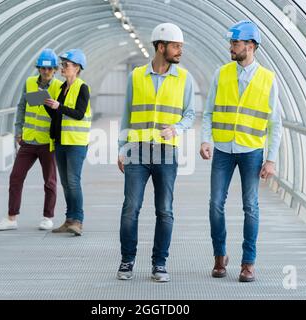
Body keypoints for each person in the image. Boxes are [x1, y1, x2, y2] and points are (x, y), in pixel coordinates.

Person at [200, 20, 282, 282]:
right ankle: (219, 257)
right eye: (231, 43)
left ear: (250, 45)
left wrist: (270, 159)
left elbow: (275, 123)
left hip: (251, 151)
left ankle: (248, 263)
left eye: (234, 43)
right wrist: (205, 140)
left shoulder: (268, 79)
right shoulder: (221, 73)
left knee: (251, 206)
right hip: (223, 149)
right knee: (215, 204)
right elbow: (208, 112)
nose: (231, 47)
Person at [116, 23, 196, 282]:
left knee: (164, 210)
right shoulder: (136, 76)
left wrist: (178, 128)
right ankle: (127, 261)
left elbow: (190, 114)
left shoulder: (184, 78)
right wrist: (120, 148)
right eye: (176, 46)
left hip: (166, 153)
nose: (179, 51)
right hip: (136, 151)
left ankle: (159, 264)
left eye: (181, 46)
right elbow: (126, 114)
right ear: (160, 47)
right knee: (131, 207)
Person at [0, 48, 63, 231]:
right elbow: (22, 107)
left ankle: (48, 217)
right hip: (28, 141)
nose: (46, 72)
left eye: (49, 69)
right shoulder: (30, 83)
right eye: (42, 68)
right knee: (15, 177)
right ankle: (11, 218)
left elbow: (61, 113)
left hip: (47, 142)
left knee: (50, 181)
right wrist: (18, 131)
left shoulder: (58, 86)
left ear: (55, 69)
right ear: (38, 68)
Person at [44, 49, 91, 236]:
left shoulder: (82, 87)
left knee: (73, 181)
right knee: (65, 182)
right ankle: (69, 219)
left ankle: (78, 221)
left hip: (76, 142)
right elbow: (58, 115)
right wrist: (48, 106)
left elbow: (79, 113)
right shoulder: (62, 88)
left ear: (77, 68)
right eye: (62, 65)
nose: (62, 68)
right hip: (60, 141)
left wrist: (59, 106)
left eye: (66, 65)